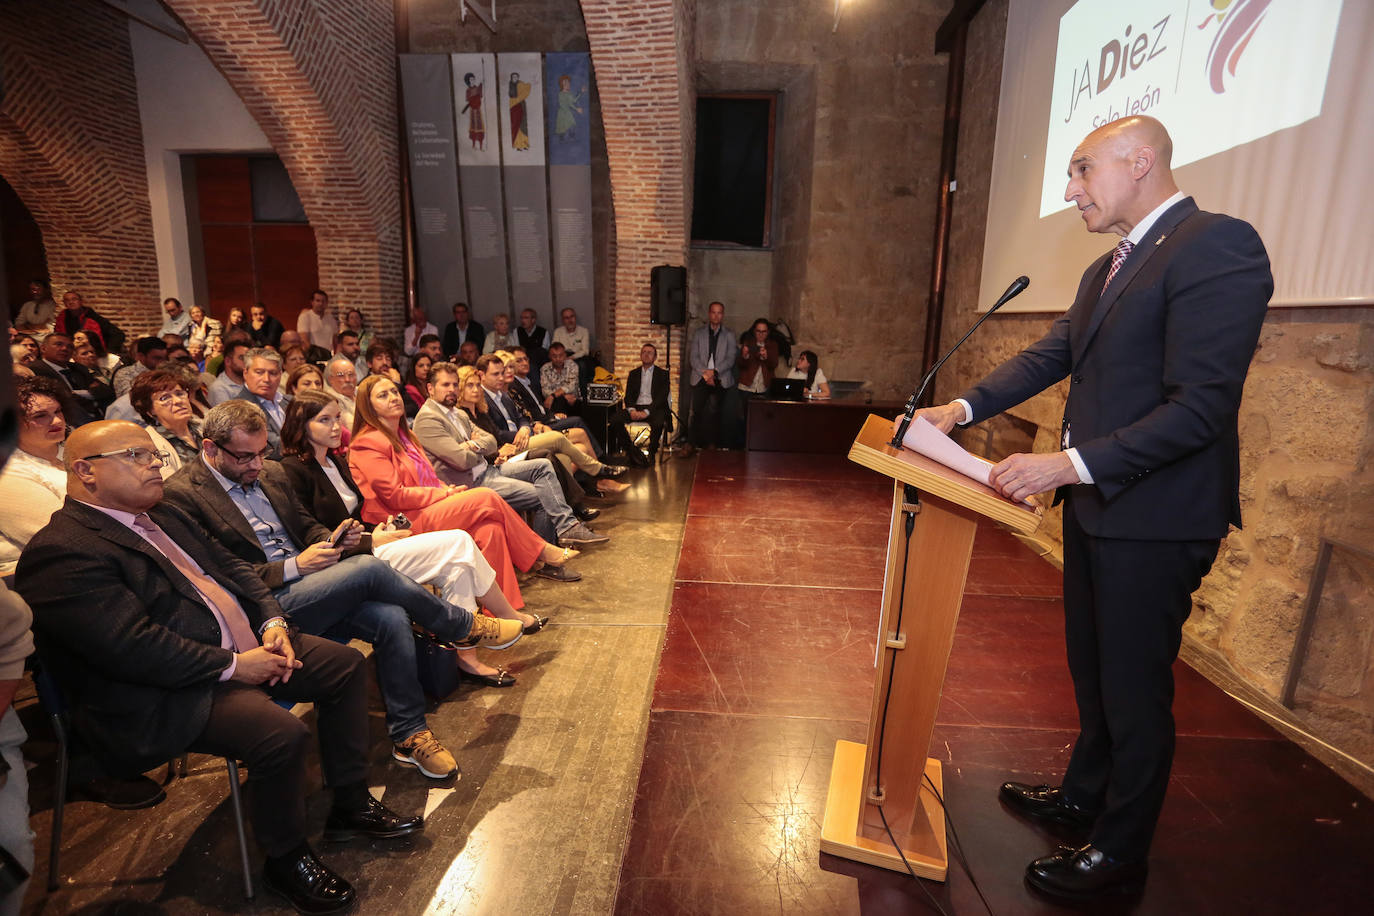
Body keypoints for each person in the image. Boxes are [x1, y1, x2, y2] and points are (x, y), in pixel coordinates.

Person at [905, 116, 1272, 900]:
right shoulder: (1110, 266)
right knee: (1095, 672)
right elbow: (1054, 354)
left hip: (1160, 515)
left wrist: (1064, 466)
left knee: (1136, 691)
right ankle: (1083, 795)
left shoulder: (1217, 245)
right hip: (1104, 509)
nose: (1070, 190)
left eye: (1081, 171)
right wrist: (961, 409)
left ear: (1140, 162)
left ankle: (1120, 849)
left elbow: (1200, 409)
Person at [18, 420, 424, 913]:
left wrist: (273, 619)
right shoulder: (62, 551)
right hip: (161, 692)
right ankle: (285, 856)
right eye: (137, 455)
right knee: (281, 734)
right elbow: (131, 649)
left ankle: (350, 801)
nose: (156, 465)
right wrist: (234, 666)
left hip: (243, 647)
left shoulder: (162, 511)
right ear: (85, 471)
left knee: (342, 665)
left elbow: (233, 568)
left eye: (154, 454)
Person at [162, 402, 525, 781]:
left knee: (391, 616)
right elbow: (220, 577)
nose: (256, 464)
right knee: (369, 567)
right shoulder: (182, 495)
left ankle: (409, 733)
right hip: (264, 608)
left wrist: (334, 540)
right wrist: (295, 566)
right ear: (210, 449)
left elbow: (306, 526)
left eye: (261, 453)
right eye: (244, 457)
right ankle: (459, 625)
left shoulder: (270, 473)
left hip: (315, 583)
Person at [280, 391, 547, 687]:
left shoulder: (335, 462)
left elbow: (356, 512)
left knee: (458, 565)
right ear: (301, 424)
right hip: (343, 563)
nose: (334, 426)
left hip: (368, 543)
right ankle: (502, 614)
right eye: (323, 420)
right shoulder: (292, 471)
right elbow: (308, 531)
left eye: (336, 418)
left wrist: (378, 530)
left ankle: (467, 660)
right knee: (459, 540)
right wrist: (371, 540)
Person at [347, 375, 583, 587]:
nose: (393, 398)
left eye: (394, 392)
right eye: (382, 395)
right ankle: (540, 550)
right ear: (368, 406)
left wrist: (445, 488)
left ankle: (502, 613)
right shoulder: (369, 441)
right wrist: (444, 494)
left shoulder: (406, 436)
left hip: (427, 505)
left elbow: (430, 476)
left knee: (491, 530)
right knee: (487, 497)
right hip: (400, 520)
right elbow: (395, 496)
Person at [415, 362, 606, 546]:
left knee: (543, 465)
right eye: (445, 385)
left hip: (488, 469)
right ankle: (545, 557)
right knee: (541, 494)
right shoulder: (428, 419)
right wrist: (479, 449)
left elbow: (490, 441)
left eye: (455, 384)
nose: (452, 389)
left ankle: (567, 527)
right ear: (430, 388)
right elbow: (462, 460)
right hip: (470, 481)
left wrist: (472, 444)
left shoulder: (457, 413)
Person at [0, 377, 68, 576]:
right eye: (40, 416)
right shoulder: (7, 474)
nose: (57, 421)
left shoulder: (70, 449)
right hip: (46, 573)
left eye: (58, 411)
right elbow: (57, 538)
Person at [130, 369, 202, 476]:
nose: (178, 401)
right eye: (165, 398)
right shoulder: (151, 444)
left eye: (179, 393)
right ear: (150, 410)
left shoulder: (202, 427)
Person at [688, 300, 738, 449]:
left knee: (716, 412)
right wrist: (706, 374)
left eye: (719, 313)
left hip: (720, 377)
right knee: (696, 411)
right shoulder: (699, 333)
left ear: (722, 315)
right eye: (713, 312)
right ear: (709, 314)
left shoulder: (729, 334)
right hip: (700, 376)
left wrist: (714, 373)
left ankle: (712, 444)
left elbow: (731, 357)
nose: (716, 316)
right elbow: (693, 357)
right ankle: (690, 443)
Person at [620, 342, 672, 462]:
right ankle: (631, 450)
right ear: (640, 355)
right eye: (644, 352)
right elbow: (628, 396)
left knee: (658, 422)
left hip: (654, 407)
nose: (646, 355)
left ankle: (652, 453)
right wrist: (632, 410)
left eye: (650, 353)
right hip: (636, 406)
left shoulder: (663, 374)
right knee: (614, 420)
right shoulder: (633, 374)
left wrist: (647, 411)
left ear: (655, 357)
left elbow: (662, 397)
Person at [234, 347, 288, 458]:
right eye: (259, 372)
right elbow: (272, 448)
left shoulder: (290, 401)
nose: (266, 379)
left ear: (280, 374)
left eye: (273, 373)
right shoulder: (240, 408)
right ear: (245, 373)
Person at [53, 290, 124, 356]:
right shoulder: (61, 319)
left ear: (81, 301)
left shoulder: (93, 317)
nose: (71, 302)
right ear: (64, 303)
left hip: (93, 355)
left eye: (74, 299)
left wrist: (109, 353)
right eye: (67, 300)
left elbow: (118, 334)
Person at [539, 342, 582, 416]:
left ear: (565, 355)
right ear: (549, 356)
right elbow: (545, 391)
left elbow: (571, 387)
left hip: (573, 400)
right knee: (559, 401)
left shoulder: (572, 365)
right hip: (554, 403)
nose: (558, 359)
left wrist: (553, 396)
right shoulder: (545, 368)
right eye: (554, 356)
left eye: (561, 355)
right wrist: (562, 396)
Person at [208, 335, 250, 405]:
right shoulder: (219, 389)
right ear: (228, 361)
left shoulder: (251, 381)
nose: (247, 361)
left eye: (248, 358)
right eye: (242, 358)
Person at [516, 307, 551, 371]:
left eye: (526, 318)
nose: (523, 320)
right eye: (522, 318)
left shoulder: (543, 332)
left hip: (539, 360)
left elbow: (544, 350)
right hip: (522, 359)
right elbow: (516, 348)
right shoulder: (517, 331)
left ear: (533, 320)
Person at [402, 353, 432, 419]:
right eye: (421, 366)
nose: (426, 368)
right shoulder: (410, 389)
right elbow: (419, 410)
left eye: (428, 365)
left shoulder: (434, 386)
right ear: (413, 368)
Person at [460, 72, 485, 149]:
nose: (473, 80)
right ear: (468, 81)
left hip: (478, 110)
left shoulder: (477, 87)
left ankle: (481, 146)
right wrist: (479, 87)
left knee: (480, 126)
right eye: (471, 79)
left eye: (474, 79)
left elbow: (480, 95)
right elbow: (469, 99)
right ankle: (473, 145)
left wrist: (480, 86)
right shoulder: (468, 90)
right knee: (473, 127)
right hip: (472, 110)